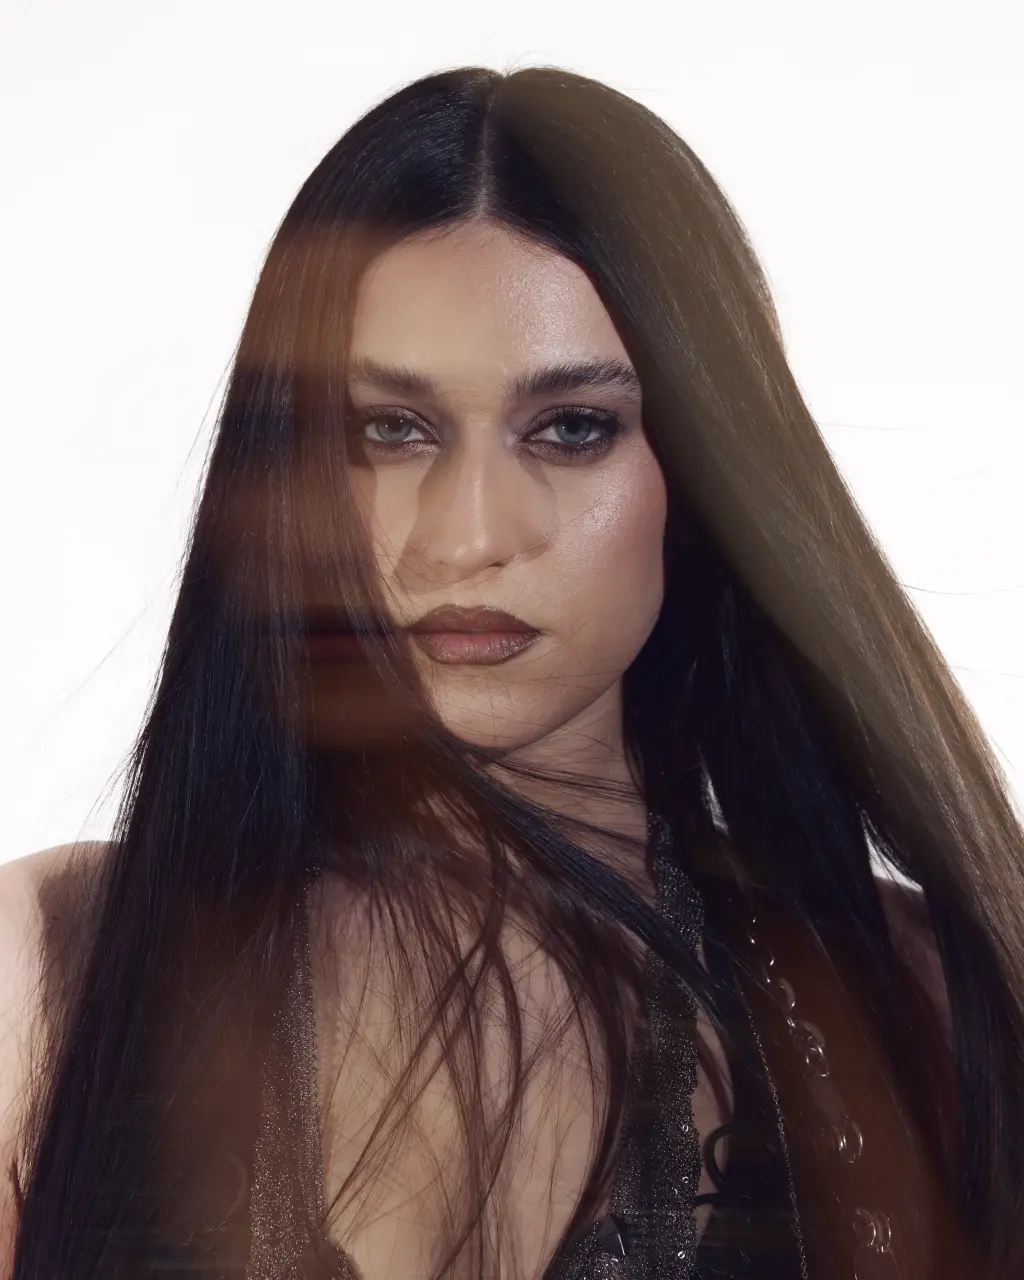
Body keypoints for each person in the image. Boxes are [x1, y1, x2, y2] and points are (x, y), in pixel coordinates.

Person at [1, 64, 1022, 1280]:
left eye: (572, 427)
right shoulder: (53, 966)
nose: (468, 534)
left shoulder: (915, 1002)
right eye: (391, 428)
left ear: (706, 478)